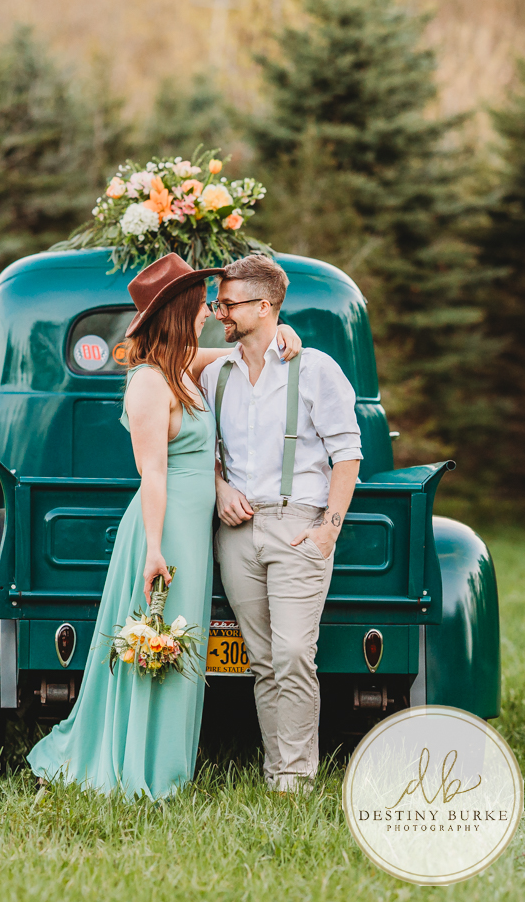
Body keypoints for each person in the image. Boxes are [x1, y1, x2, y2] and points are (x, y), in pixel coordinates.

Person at [27, 253, 301, 798]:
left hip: (192, 535)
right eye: (201, 305)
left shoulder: (182, 367)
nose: (209, 312)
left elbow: (234, 349)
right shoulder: (150, 382)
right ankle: (143, 769)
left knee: (181, 648)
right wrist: (154, 549)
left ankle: (166, 764)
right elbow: (152, 473)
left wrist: (279, 332)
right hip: (164, 531)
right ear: (177, 312)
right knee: (158, 646)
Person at [201, 255, 362, 793]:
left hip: (298, 525)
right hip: (238, 534)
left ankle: (294, 779)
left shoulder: (315, 368)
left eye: (227, 304)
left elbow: (348, 454)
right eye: (217, 303)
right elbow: (207, 449)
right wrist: (221, 487)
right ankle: (280, 774)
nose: (218, 312)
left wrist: (327, 531)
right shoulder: (216, 374)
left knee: (294, 652)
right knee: (263, 660)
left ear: (264, 306)